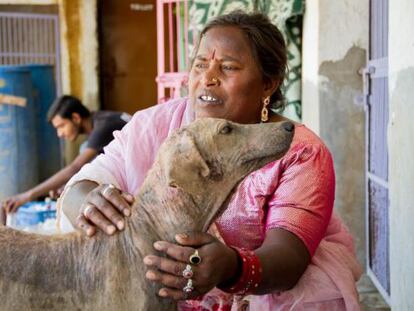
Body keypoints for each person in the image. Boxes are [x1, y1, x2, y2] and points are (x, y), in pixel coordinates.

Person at [59, 11, 362, 310]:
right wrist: (89, 200)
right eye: (200, 64)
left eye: (228, 67)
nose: (207, 78)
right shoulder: (153, 126)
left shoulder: (299, 152)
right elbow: (83, 185)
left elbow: (289, 257)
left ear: (268, 84)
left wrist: (232, 267)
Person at [1, 95, 130, 219]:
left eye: (61, 126)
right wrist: (67, 186)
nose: (59, 134)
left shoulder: (104, 127)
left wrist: (26, 196)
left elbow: (75, 167)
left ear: (75, 118)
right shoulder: (99, 119)